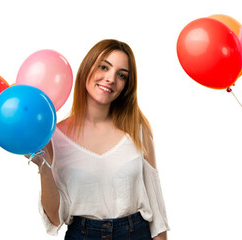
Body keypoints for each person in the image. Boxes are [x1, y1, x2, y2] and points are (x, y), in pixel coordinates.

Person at [27, 39, 169, 240]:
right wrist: (42, 164)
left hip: (136, 233)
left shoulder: (137, 129)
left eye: (121, 75)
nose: (111, 79)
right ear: (87, 68)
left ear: (126, 86)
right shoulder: (54, 137)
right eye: (104, 67)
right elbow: (55, 219)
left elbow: (156, 207)